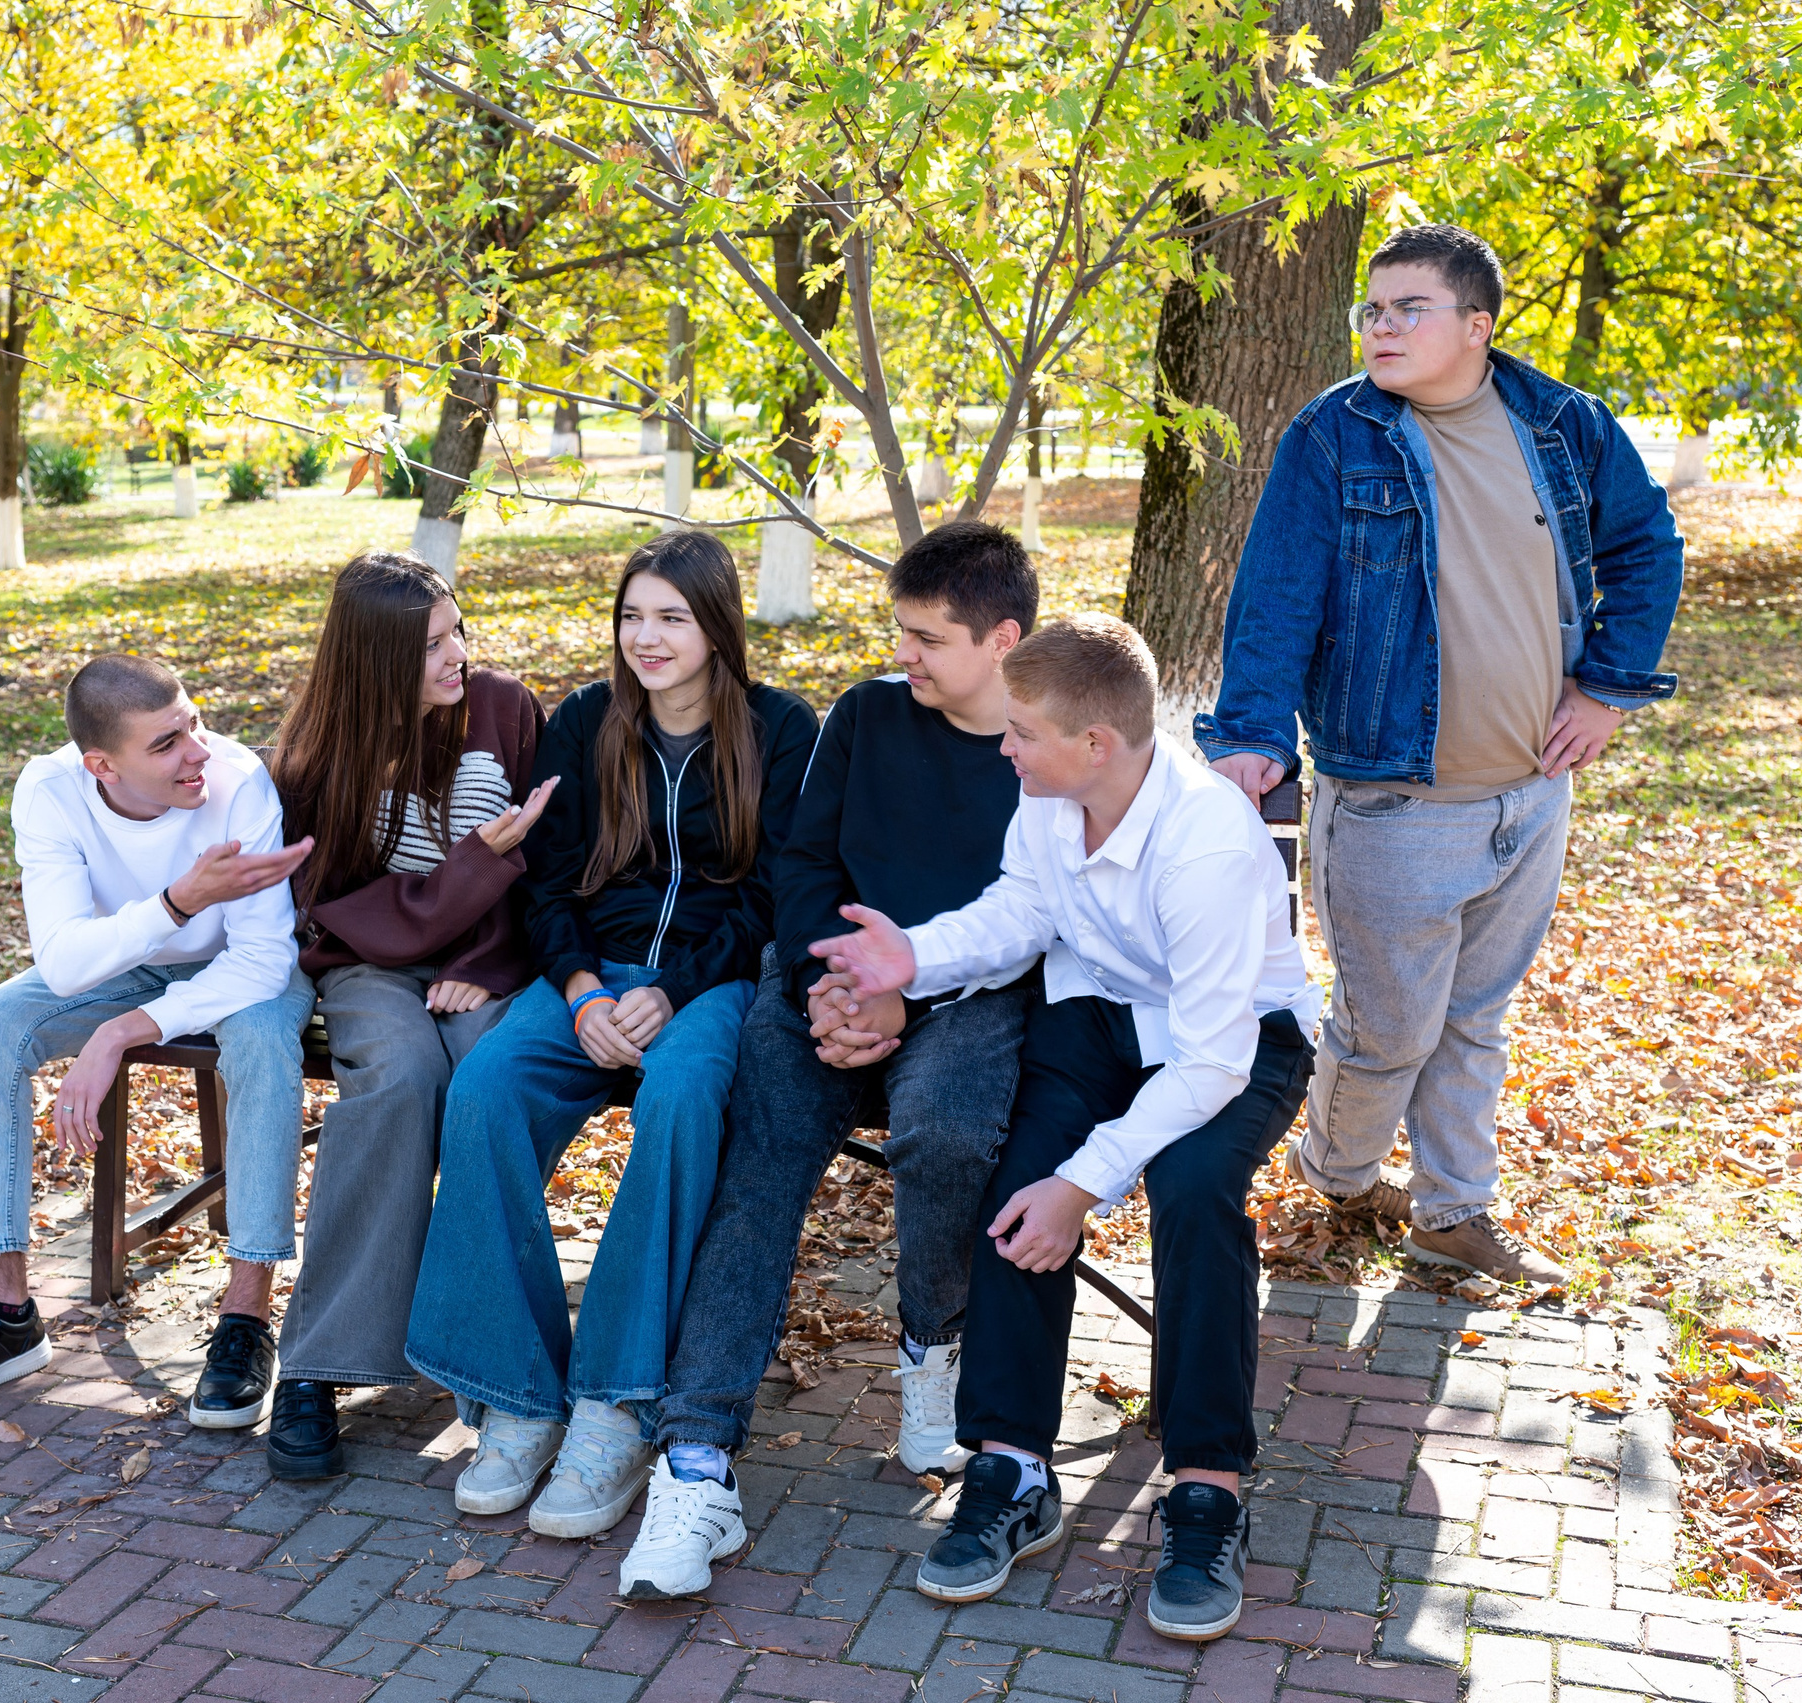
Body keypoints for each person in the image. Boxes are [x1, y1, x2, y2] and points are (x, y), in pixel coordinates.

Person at [809, 615, 1319, 1638]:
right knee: (1014, 1176)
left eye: (1022, 732)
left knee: (1194, 1191)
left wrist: (1083, 1185)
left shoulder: (1207, 842)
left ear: (1096, 743)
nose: (1004, 746)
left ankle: (1207, 1486)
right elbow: (1020, 912)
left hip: (1234, 1037)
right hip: (1097, 1014)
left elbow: (1211, 1061)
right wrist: (914, 956)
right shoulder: (1049, 798)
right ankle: (1012, 1466)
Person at [1196, 222, 1683, 1284]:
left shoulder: (1562, 423)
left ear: (1477, 325)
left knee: (1475, 1020)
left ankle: (1453, 1212)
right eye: (1372, 309)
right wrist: (1250, 737)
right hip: (1392, 803)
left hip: (1531, 795)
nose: (1381, 326)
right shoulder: (1334, 436)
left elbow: (1647, 545)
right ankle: (1339, 1175)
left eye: (1408, 308)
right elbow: (1276, 596)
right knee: (1386, 1032)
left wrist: (1607, 686)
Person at [617, 521, 1040, 1602]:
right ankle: (695, 1461)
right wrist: (826, 984)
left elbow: (1033, 918)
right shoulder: (866, 715)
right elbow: (804, 863)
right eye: (901, 631)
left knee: (943, 1133)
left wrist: (907, 991)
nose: (903, 653)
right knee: (757, 1165)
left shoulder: (1041, 749)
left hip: (966, 997)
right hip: (826, 986)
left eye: (927, 638)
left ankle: (932, 1343)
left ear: (1002, 640)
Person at [406, 530, 818, 1539]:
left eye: (672, 616)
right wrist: (582, 987)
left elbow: (774, 892)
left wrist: (672, 990)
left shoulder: (779, 727)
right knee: (486, 1090)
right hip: (589, 973)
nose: (648, 637)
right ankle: (516, 1392)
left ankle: (615, 1403)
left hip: (713, 981)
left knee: (681, 1098)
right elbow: (547, 881)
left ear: (717, 624)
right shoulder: (587, 720)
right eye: (632, 615)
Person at [0, 654, 313, 1425]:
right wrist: (177, 902)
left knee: (261, 1043)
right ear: (102, 766)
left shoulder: (239, 780)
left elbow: (263, 959)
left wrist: (120, 1032)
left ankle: (247, 1315)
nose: (196, 751)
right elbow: (62, 961)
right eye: (165, 743)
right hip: (130, 960)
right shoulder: (50, 789)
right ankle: (4, 1310)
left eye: (193, 724)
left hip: (241, 968)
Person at [260, 551, 554, 1479]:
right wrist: (463, 878)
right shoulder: (317, 757)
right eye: (431, 645)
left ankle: (483, 1346)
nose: (457, 653)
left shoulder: (505, 709)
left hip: (491, 958)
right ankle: (319, 1360)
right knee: (397, 1080)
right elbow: (333, 904)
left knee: (488, 1075)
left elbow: (547, 866)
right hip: (369, 964)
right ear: (376, 658)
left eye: (457, 630)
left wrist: (484, 957)